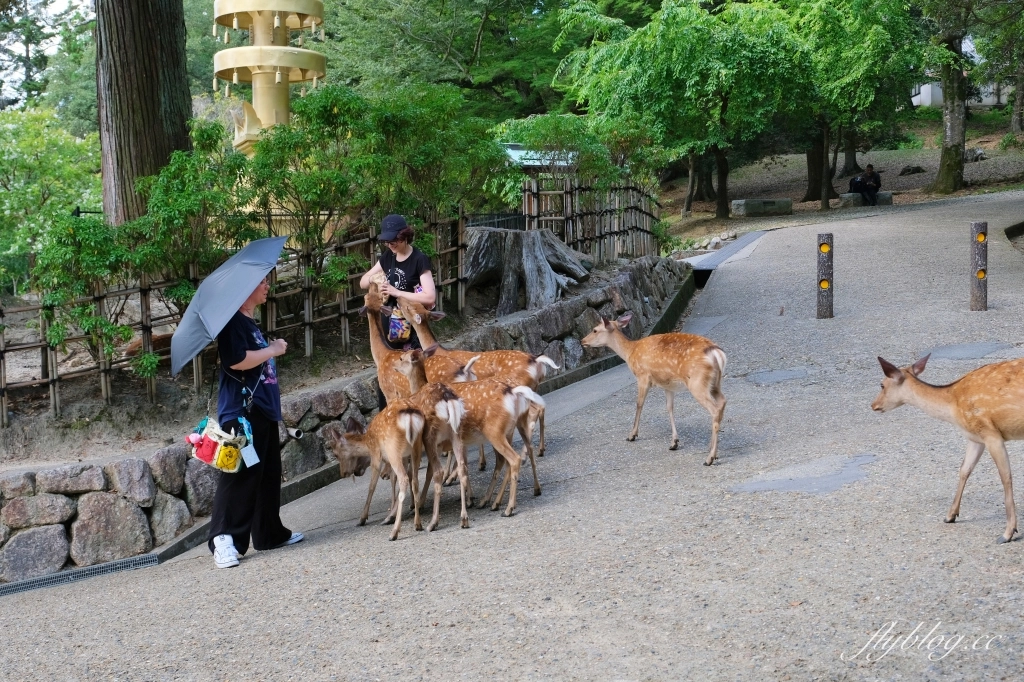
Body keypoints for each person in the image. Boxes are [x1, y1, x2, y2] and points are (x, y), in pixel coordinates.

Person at [207, 277, 303, 569]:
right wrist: (272, 350)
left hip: (260, 411)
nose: (266, 286)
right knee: (239, 474)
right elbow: (235, 360)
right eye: (261, 282)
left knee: (267, 473)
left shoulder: (248, 323)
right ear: (244, 288)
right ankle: (223, 539)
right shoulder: (232, 322)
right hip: (241, 412)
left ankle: (268, 532)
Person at [359, 214, 437, 410]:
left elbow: (430, 297)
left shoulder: (419, 259)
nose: (390, 244)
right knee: (386, 383)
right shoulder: (387, 258)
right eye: (387, 241)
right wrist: (376, 280)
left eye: (394, 240)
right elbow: (362, 281)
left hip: (411, 332)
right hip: (388, 334)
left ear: (405, 236)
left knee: (415, 388)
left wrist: (396, 292)